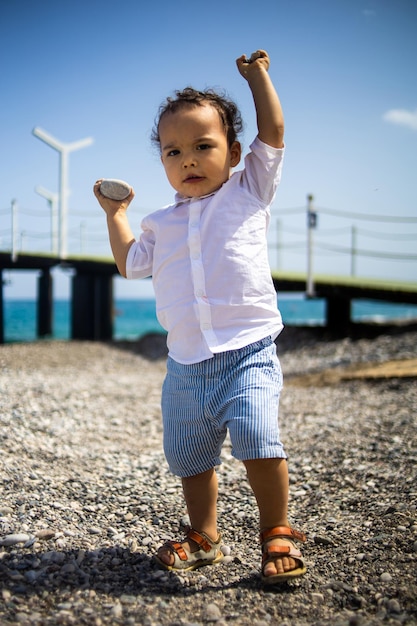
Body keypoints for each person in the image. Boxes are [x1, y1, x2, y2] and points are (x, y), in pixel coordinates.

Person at [93, 49, 306, 585]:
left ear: (233, 153)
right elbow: (129, 264)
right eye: (173, 151)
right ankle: (204, 534)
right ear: (163, 161)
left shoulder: (248, 191)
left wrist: (257, 77)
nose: (187, 159)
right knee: (190, 454)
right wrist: (116, 216)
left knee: (259, 436)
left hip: (248, 351)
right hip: (185, 363)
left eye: (202, 146)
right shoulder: (159, 222)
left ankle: (277, 528)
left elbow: (274, 131)